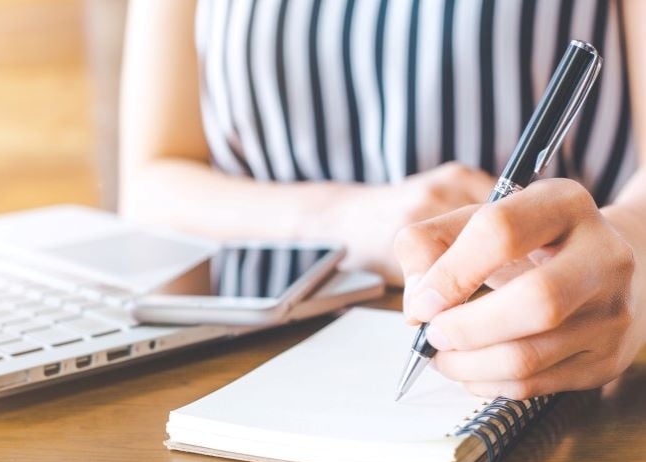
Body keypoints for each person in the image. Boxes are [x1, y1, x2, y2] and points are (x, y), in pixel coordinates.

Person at [120, 0, 646, 399]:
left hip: (555, 355)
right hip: (239, 352)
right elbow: (149, 184)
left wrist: (629, 257)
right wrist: (353, 221)